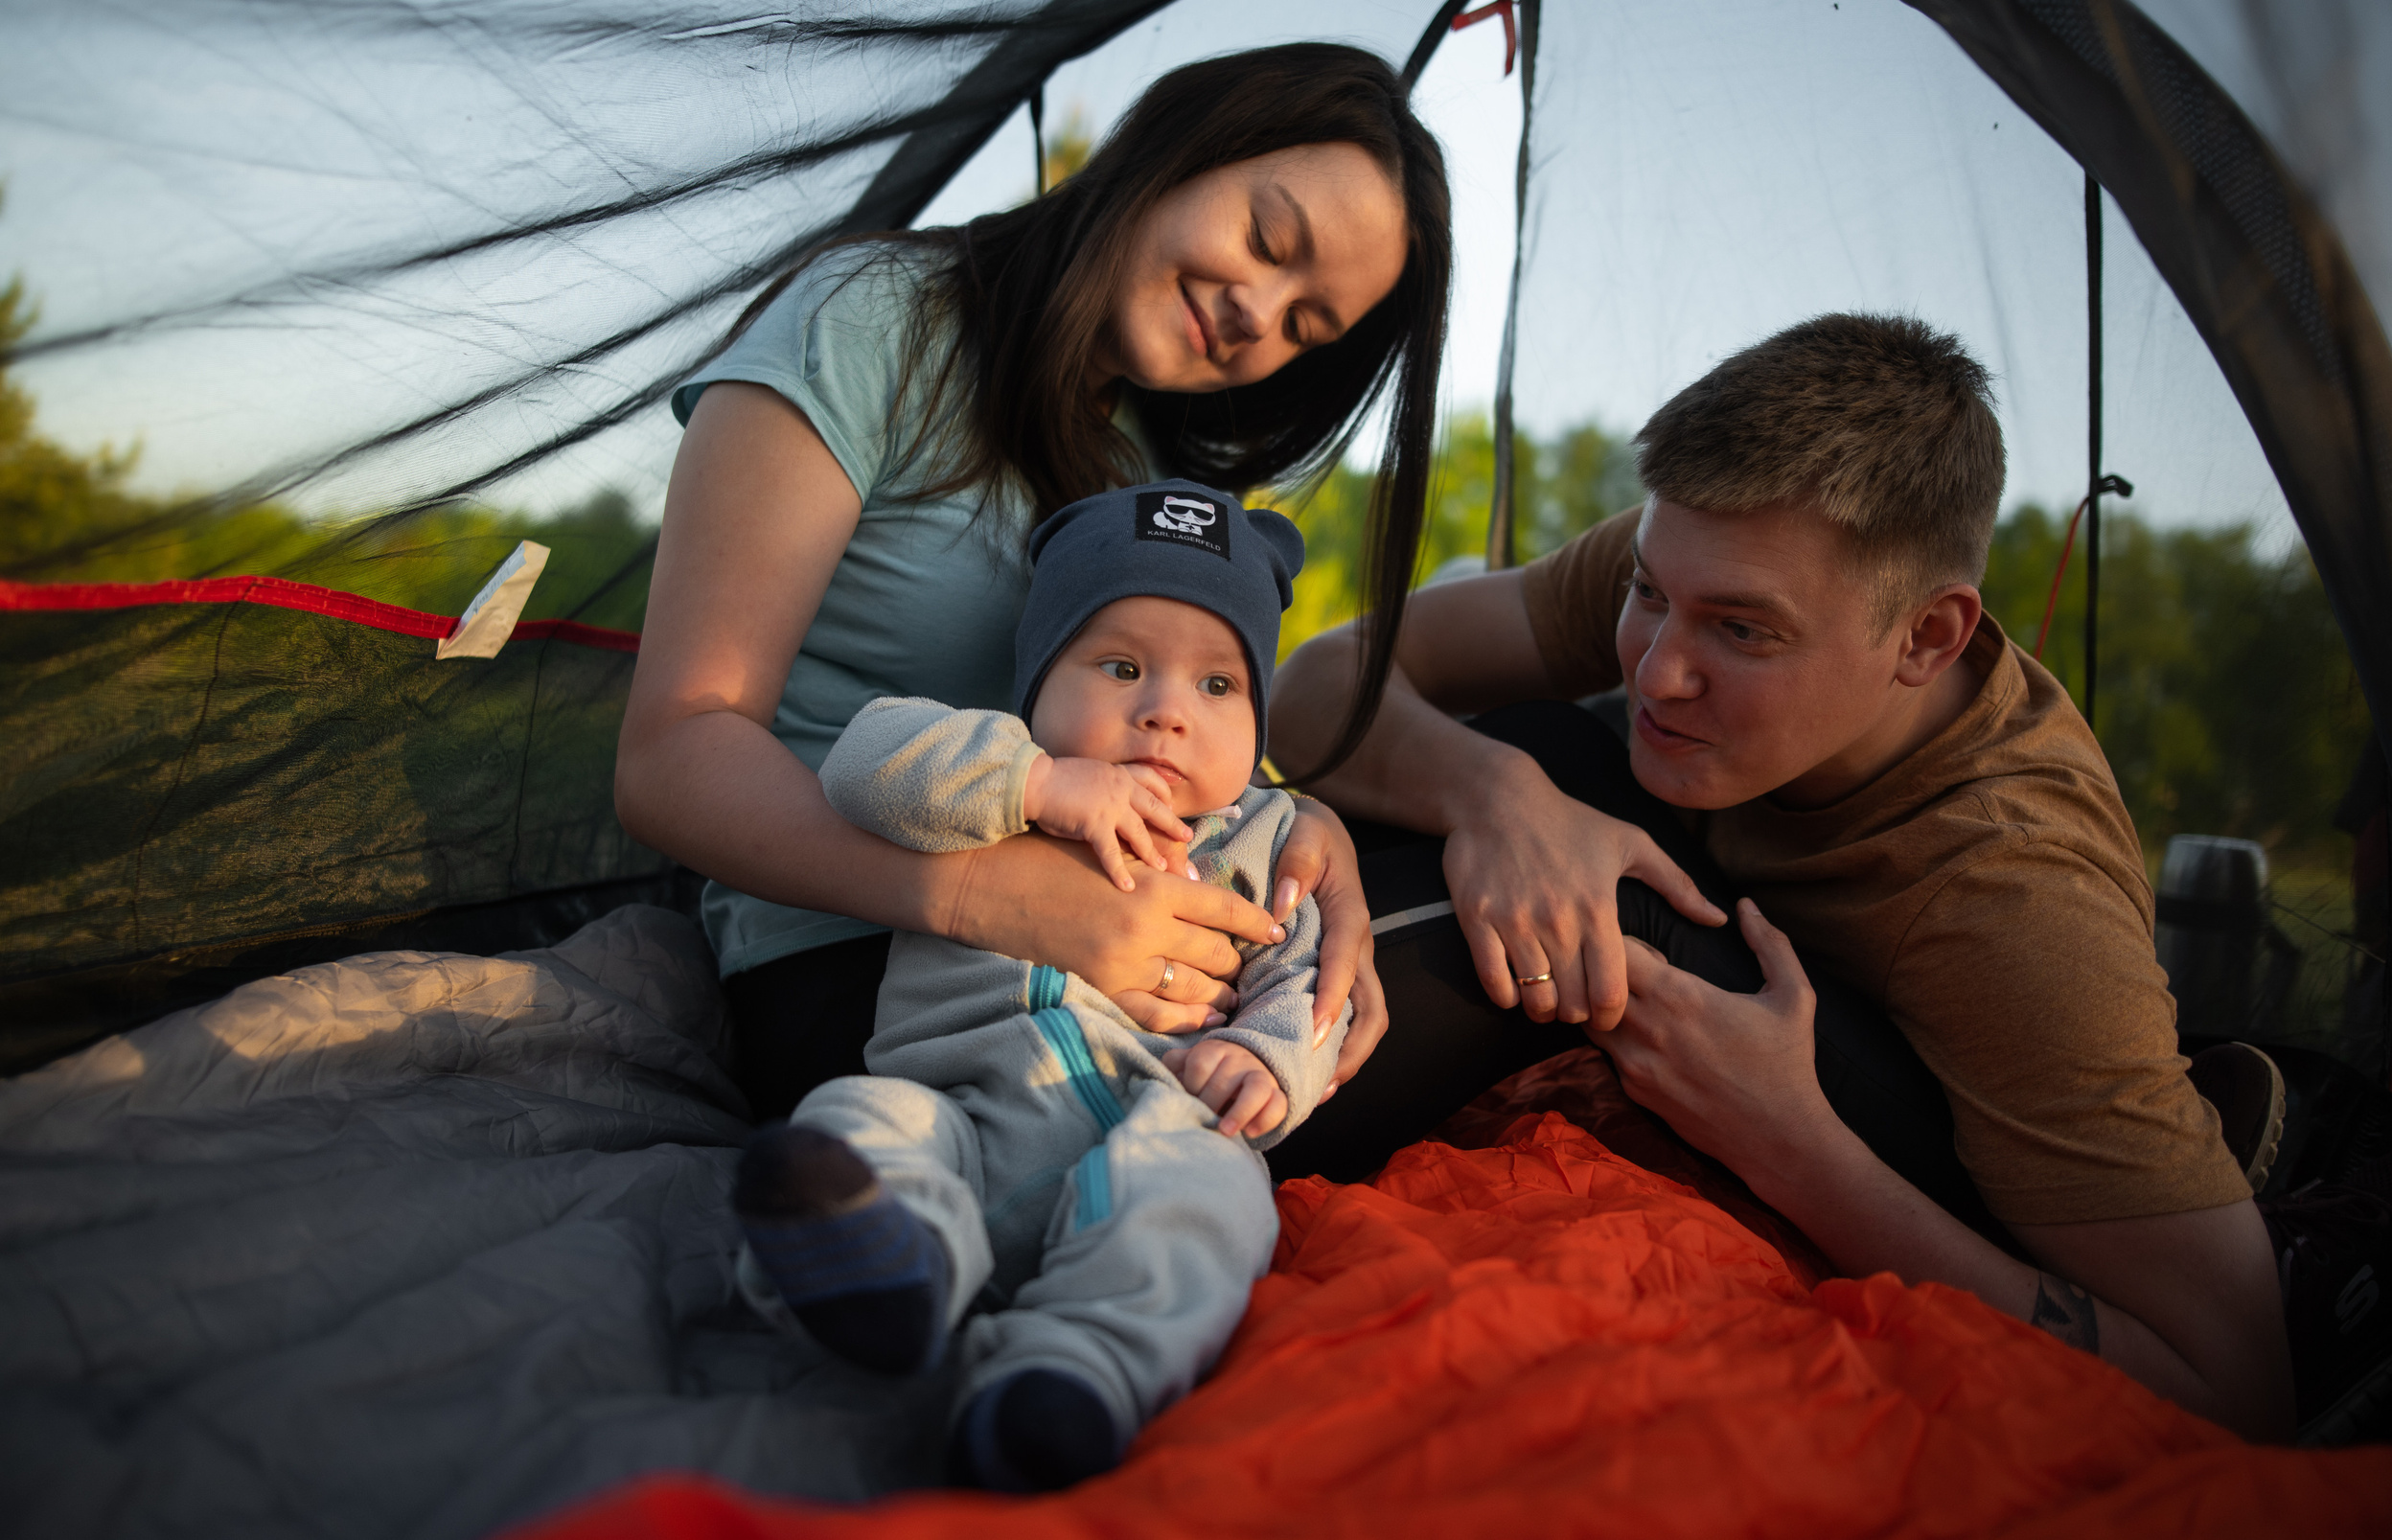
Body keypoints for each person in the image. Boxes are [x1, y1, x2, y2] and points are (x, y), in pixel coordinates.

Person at [1267, 313, 2297, 1439]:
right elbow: (1322, 685)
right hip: (1733, 954)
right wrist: (1491, 795)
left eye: (1742, 634)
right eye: (1648, 594)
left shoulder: (2012, 907)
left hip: (1894, 1141)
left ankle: (1163, 1108)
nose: (1660, 669)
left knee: (1610, 888)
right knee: (1534, 756)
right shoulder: (1715, 556)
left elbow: (2234, 1386)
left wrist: (1789, 1143)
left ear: (1925, 639)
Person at [615, 45, 1449, 1129]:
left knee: (1501, 847)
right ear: (1176, 153)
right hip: (863, 967)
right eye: (1266, 241)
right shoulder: (874, 323)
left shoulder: (1149, 466)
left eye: (1303, 325)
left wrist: (1299, 827)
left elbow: (1154, 733)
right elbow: (672, 750)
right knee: (1593, 947)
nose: (1259, 316)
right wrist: (982, 894)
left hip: (1129, 954)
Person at [735, 481, 1344, 1493]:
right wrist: (1038, 785)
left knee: (1217, 1201)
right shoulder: (993, 768)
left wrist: (1269, 1056)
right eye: (1119, 666)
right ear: (1039, 675)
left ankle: (1069, 1375)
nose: (1163, 711)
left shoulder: (1265, 836)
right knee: (859, 1116)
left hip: (1150, 1124)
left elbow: (1306, 975)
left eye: (1218, 686)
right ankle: (891, 1263)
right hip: (959, 1111)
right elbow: (860, 763)